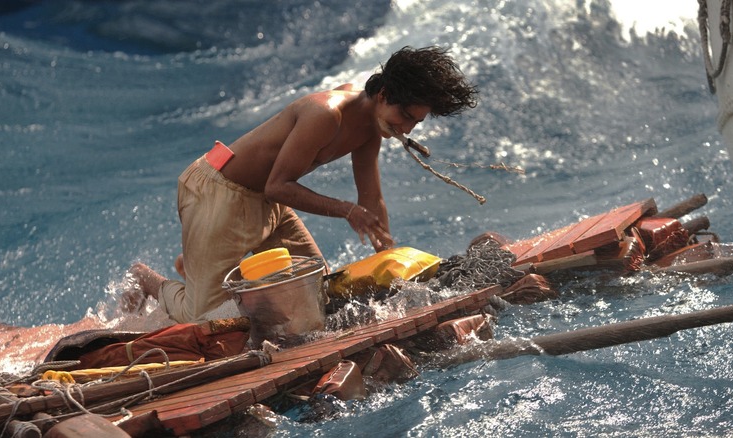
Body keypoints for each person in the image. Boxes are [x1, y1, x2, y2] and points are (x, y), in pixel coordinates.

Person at [129, 46, 479, 323]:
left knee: (315, 294)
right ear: (384, 94)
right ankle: (150, 279)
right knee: (204, 319)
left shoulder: (372, 128)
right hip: (218, 192)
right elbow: (277, 186)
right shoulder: (325, 113)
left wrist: (392, 263)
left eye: (416, 122)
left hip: (266, 205)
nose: (407, 129)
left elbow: (371, 199)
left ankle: (199, 262)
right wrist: (346, 211)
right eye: (406, 117)